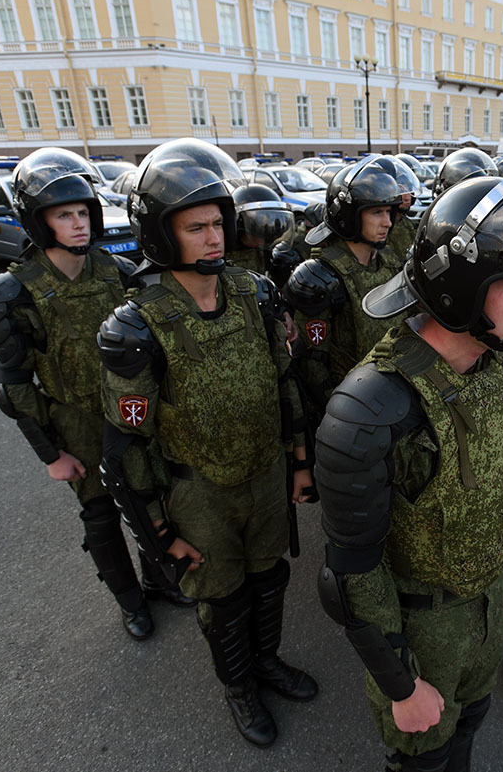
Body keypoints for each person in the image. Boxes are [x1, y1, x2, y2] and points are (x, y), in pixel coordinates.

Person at [314, 167, 503, 772]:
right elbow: (350, 573)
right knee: (424, 757)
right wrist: (401, 686)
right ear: (462, 287)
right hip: (422, 635)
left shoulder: (494, 367)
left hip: (488, 609)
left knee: (471, 725)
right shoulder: (373, 408)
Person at [97, 138, 317, 747]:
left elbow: (285, 385)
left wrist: (301, 464)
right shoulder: (136, 327)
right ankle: (240, 686)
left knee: (269, 578)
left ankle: (266, 661)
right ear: (162, 236)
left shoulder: (255, 294)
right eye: (196, 228)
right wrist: (160, 533)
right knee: (221, 599)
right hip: (199, 492)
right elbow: (124, 448)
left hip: (266, 475)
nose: (215, 239)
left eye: (218, 225)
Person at [0, 147, 190, 643]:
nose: (78, 224)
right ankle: (130, 600)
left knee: (148, 498)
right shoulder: (12, 294)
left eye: (82, 213)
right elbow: (14, 386)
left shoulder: (116, 272)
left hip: (130, 411)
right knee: (100, 514)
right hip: (74, 420)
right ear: (38, 222)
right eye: (63, 215)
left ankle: (159, 580)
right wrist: (51, 453)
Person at [283, 155, 405, 424]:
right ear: (349, 216)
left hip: (393, 402)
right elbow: (312, 367)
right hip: (346, 414)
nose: (387, 222)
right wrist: (345, 412)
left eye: (389, 212)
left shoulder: (391, 264)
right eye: (376, 212)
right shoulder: (321, 277)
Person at [226, 183, 296, 278]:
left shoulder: (265, 252)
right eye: (256, 233)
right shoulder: (221, 256)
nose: (261, 242)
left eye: (265, 235)